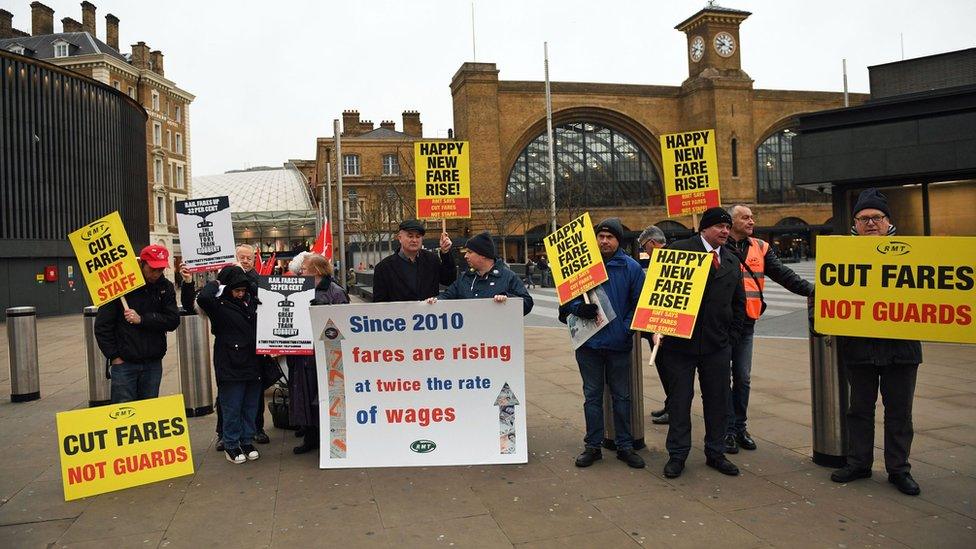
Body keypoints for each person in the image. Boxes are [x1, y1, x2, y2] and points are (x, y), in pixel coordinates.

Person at [830, 188, 923, 496]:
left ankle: (899, 469)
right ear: (854, 224)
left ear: (888, 222)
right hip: (859, 348)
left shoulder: (914, 253)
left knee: (899, 412)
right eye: (864, 218)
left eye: (876, 217)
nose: (870, 223)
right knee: (859, 409)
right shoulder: (839, 256)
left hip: (901, 348)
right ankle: (859, 463)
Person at [658, 207, 745, 479]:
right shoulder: (680, 250)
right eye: (720, 226)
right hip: (679, 345)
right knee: (679, 402)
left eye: (728, 227)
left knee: (718, 401)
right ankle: (677, 455)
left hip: (717, 346)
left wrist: (731, 338)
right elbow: (659, 289)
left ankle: (715, 452)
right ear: (704, 228)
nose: (725, 231)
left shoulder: (731, 260)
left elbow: (739, 304)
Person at [723, 205, 814, 454]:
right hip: (720, 325)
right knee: (721, 379)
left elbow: (783, 274)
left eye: (752, 217)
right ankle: (726, 430)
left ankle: (739, 427)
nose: (752, 221)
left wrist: (812, 290)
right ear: (731, 222)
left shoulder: (760, 247)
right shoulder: (717, 246)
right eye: (745, 217)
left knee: (742, 377)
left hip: (746, 324)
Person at [558, 218, 646, 469]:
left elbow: (638, 303)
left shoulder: (631, 268)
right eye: (601, 236)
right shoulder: (581, 267)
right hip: (589, 345)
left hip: (618, 344)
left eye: (610, 237)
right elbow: (567, 301)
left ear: (619, 241)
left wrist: (626, 330)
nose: (605, 241)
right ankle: (592, 446)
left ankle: (625, 446)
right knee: (592, 397)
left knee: (622, 397)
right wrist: (579, 308)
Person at [94, 244, 180, 403]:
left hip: (153, 361)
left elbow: (173, 320)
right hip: (125, 363)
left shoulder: (165, 287)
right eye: (152, 269)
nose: (156, 274)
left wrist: (143, 319)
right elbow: (102, 326)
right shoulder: (120, 286)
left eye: (160, 270)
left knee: (148, 410)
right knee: (124, 412)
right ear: (142, 264)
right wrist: (114, 356)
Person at [195, 266, 262, 464]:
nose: (241, 294)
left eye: (243, 290)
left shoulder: (251, 302)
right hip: (230, 363)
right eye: (236, 291)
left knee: (250, 405)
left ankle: (247, 440)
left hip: (252, 361)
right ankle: (231, 444)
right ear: (227, 289)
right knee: (232, 406)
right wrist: (216, 282)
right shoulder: (218, 305)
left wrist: (250, 287)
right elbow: (203, 298)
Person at [288, 254, 348, 454]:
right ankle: (310, 435)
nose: (301, 271)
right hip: (303, 351)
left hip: (325, 352)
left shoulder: (336, 292)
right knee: (306, 394)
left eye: (305, 267)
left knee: (321, 395)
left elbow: (343, 321)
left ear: (318, 270)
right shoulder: (300, 289)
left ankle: (326, 436)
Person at [427, 232, 533, 316]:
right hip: (470, 340)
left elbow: (527, 303)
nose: (466, 256)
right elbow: (446, 296)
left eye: (470, 252)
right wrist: (435, 301)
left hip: (497, 340)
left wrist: (508, 300)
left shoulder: (508, 277)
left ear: (483, 255)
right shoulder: (465, 278)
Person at [232, 244, 270, 444]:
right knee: (230, 393)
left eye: (249, 258)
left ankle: (257, 428)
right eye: (242, 257)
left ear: (254, 260)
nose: (245, 261)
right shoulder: (226, 279)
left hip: (256, 342)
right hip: (231, 345)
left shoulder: (258, 280)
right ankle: (226, 433)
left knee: (256, 389)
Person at [373, 220, 456, 302]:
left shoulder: (432, 260)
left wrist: (445, 253)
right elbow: (379, 304)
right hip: (399, 315)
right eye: (410, 236)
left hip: (428, 314)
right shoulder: (384, 268)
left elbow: (449, 280)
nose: (414, 240)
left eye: (418, 236)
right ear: (400, 238)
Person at [636, 225, 670, 426]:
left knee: (668, 370)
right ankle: (670, 403)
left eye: (644, 247)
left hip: (665, 328)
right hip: (655, 326)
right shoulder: (660, 260)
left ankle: (674, 408)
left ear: (651, 243)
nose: (644, 251)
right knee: (663, 369)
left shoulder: (667, 260)